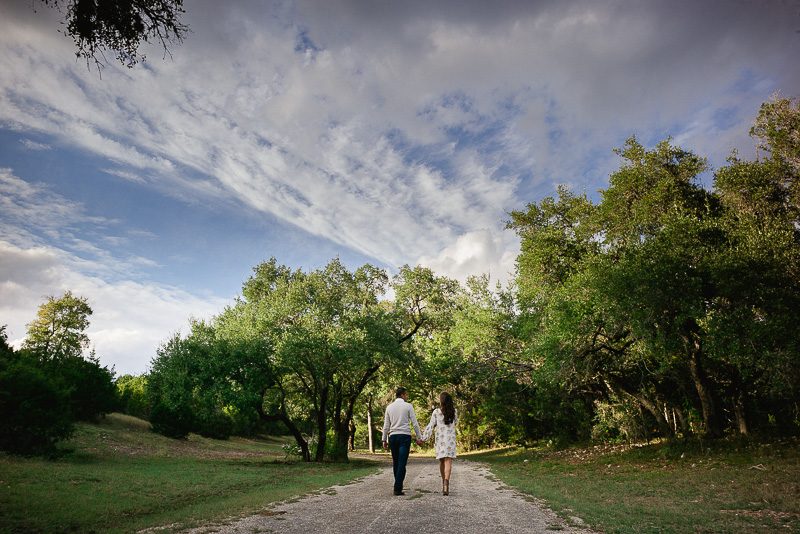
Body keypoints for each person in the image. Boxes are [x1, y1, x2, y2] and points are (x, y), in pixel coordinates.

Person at [381, 387, 424, 496]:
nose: (407, 396)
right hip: (404, 436)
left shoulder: (389, 407)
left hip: (393, 437)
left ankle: (398, 486)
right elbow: (414, 423)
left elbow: (386, 425)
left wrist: (384, 439)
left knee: (396, 462)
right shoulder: (408, 406)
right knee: (402, 462)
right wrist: (419, 437)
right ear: (403, 395)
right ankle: (397, 488)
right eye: (406, 394)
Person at [421, 392, 458, 495]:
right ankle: (446, 483)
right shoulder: (454, 412)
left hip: (440, 441)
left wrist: (423, 438)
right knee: (448, 462)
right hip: (450, 440)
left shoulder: (436, 412)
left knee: (441, 462)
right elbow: (456, 422)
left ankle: (443, 483)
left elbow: (431, 426)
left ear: (441, 402)